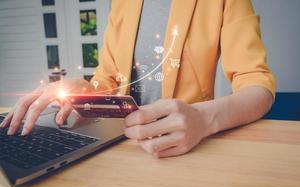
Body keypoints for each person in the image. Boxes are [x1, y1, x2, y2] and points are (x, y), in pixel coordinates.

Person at [0, 0, 276, 158]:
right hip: (118, 148)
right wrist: (81, 89)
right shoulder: (123, 2)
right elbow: (106, 80)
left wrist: (205, 119)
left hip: (184, 149)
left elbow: (258, 86)